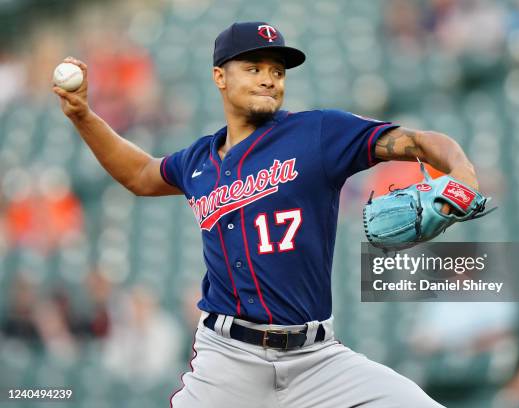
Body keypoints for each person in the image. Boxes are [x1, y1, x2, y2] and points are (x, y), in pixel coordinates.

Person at [53, 21, 482, 408]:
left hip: (317, 360)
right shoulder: (199, 160)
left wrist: (463, 174)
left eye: (277, 71)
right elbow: (142, 174)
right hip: (228, 362)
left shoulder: (317, 133)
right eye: (253, 67)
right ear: (220, 76)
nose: (269, 79)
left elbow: (417, 141)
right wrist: (84, 116)